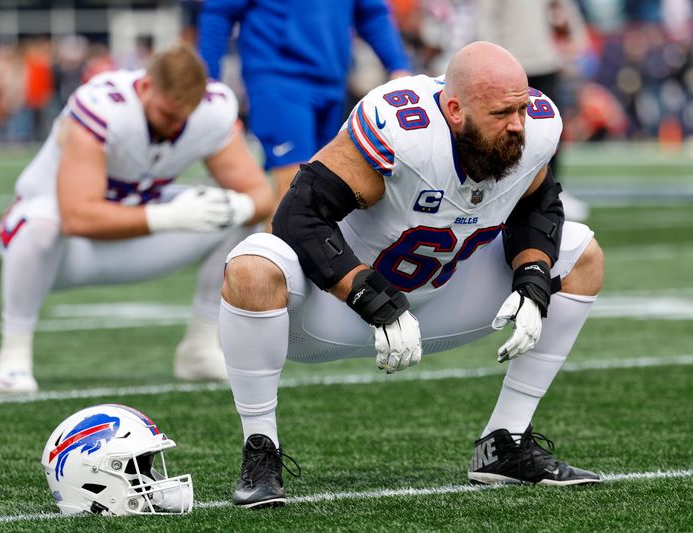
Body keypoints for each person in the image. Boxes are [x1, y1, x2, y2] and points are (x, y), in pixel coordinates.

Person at [219, 41, 605, 508]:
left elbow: (538, 203)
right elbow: (298, 216)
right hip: (334, 310)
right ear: (456, 109)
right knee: (252, 264)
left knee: (580, 251)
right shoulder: (404, 131)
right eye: (503, 113)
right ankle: (261, 452)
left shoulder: (536, 125)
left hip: (441, 299)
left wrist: (532, 276)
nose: (518, 124)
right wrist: (368, 295)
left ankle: (505, 444)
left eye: (522, 108)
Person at [0, 44, 273, 395]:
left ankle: (200, 347)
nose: (174, 126)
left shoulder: (211, 111)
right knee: (42, 226)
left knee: (234, 214)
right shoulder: (102, 107)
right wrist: (167, 216)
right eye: (166, 113)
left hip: (135, 232)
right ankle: (14, 353)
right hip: (59, 247)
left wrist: (240, 209)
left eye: (183, 117)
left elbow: (260, 195)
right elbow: (78, 216)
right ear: (145, 87)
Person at [197, 0, 412, 220]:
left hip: (332, 83)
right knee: (295, 196)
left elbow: (371, 13)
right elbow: (219, 10)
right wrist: (208, 79)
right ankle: (263, 253)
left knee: (325, 197)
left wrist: (398, 65)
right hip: (278, 79)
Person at [476, 0, 591, 221]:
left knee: (551, 131)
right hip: (511, 62)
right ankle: (499, 191)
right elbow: (487, 17)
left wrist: (575, 40)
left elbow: (564, 9)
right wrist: (491, 58)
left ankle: (552, 190)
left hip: (545, 61)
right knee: (503, 129)